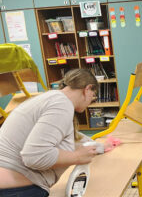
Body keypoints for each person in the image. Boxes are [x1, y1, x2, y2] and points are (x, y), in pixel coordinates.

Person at [0, 69, 105, 197]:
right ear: (87, 89)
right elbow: (34, 156)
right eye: (93, 97)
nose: (90, 102)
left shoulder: (52, 98)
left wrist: (101, 147)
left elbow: (68, 137)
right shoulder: (62, 105)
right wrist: (77, 156)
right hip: (17, 191)